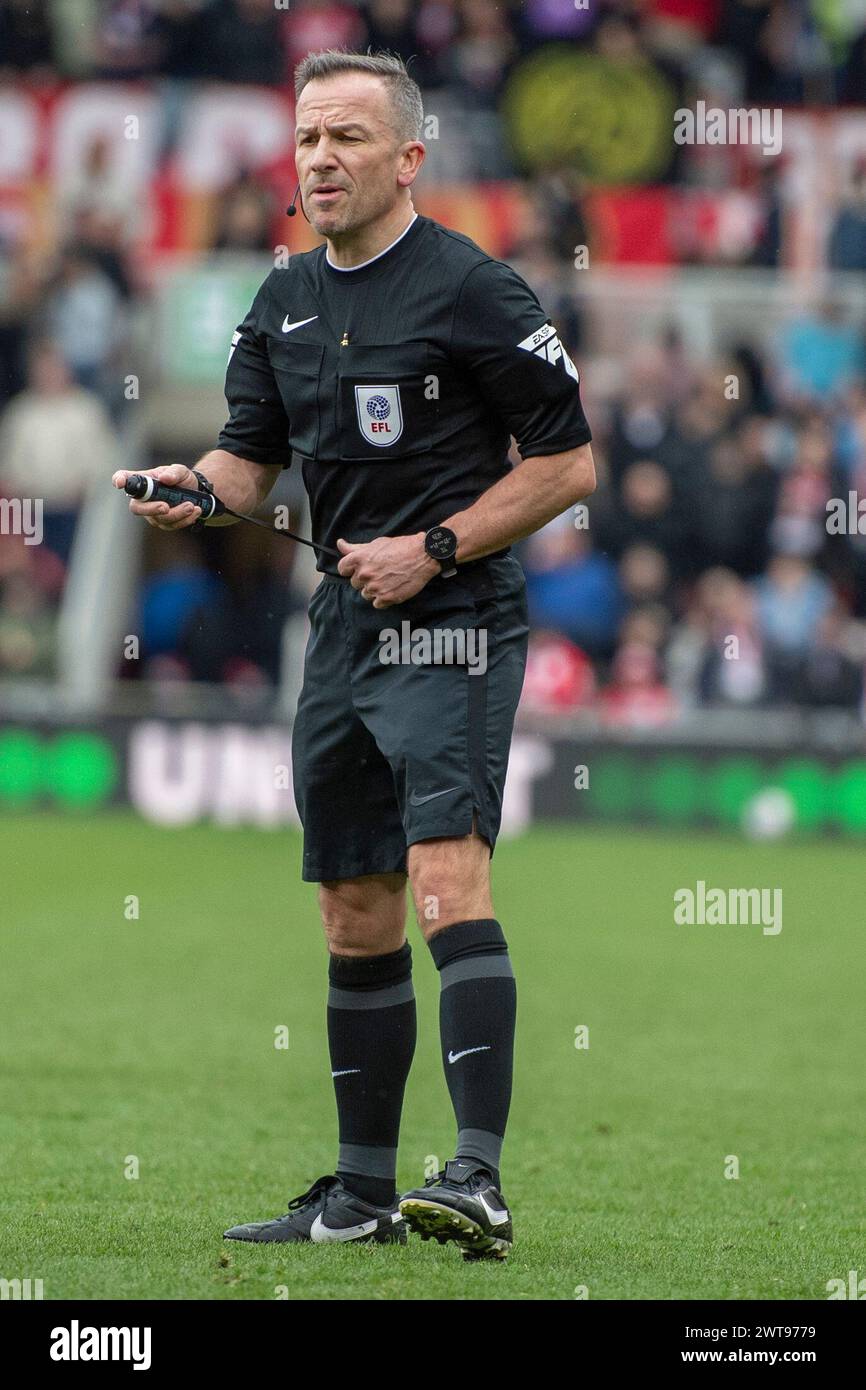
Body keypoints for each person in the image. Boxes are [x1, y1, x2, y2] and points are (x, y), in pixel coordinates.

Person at [112, 50, 595, 1260]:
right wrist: (193, 493)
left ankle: (476, 1175)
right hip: (341, 625)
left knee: (444, 876)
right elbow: (244, 459)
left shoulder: (474, 290)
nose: (319, 160)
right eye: (306, 139)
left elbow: (565, 464)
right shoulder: (280, 301)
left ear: (408, 158)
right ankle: (362, 1194)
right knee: (351, 905)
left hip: (452, 616)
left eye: (346, 138)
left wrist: (433, 546)